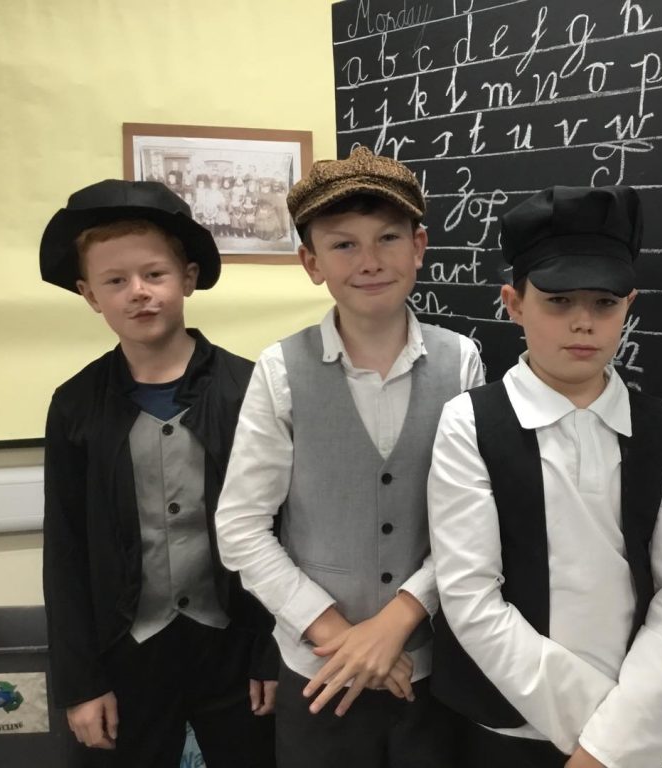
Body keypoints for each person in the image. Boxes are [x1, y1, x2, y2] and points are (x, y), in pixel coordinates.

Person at [214, 145, 484, 768]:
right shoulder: (281, 370)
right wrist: (339, 637)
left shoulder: (461, 362)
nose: (369, 261)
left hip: (432, 666)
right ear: (311, 262)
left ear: (419, 246)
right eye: (343, 245)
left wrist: (394, 625)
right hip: (317, 672)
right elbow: (241, 526)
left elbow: (472, 521)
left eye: (388, 238)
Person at [428, 185, 662, 768]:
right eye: (558, 301)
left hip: (640, 723)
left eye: (604, 303)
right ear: (514, 303)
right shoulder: (470, 423)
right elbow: (470, 596)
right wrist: (600, 735)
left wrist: (619, 735)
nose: (584, 322)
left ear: (628, 305)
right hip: (513, 730)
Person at [39, 179, 277, 768]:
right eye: (115, 281)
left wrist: (271, 650)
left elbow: (285, 526)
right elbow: (65, 551)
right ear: (89, 295)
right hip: (124, 653)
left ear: (187, 278)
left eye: (154, 274)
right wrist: (80, 682)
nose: (138, 293)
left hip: (235, 646)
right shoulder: (75, 406)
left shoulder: (251, 390)